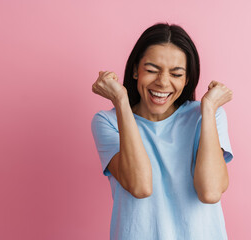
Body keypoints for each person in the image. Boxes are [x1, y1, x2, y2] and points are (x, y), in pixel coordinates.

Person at [91, 22, 234, 240]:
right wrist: (120, 100)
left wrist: (209, 107)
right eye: (151, 70)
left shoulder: (208, 116)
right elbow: (139, 186)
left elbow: (210, 191)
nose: (162, 82)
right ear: (135, 70)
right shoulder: (107, 121)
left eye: (176, 74)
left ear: (187, 80)